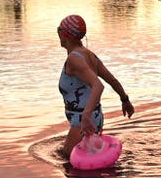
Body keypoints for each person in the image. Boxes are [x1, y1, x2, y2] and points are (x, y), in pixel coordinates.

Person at [56, 14, 134, 158]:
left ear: (64, 34)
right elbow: (113, 81)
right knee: (83, 160)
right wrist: (125, 100)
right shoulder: (89, 55)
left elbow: (98, 86)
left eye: (58, 30)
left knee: (67, 160)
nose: (57, 34)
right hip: (95, 117)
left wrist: (86, 115)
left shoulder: (74, 59)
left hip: (82, 120)